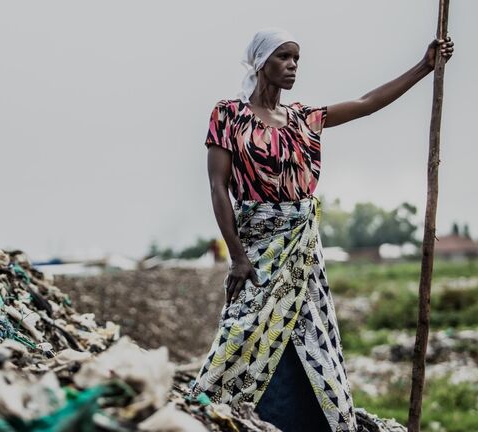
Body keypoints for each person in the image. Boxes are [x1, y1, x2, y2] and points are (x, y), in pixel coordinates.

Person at [187, 28, 454, 432]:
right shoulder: (229, 115)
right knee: (243, 330)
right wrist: (237, 256)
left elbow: (367, 103)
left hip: (302, 251)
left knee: (311, 331)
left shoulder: (304, 119)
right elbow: (217, 186)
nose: (293, 65)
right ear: (261, 63)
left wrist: (424, 66)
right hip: (259, 246)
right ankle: (218, 412)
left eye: (296, 58)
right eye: (284, 57)